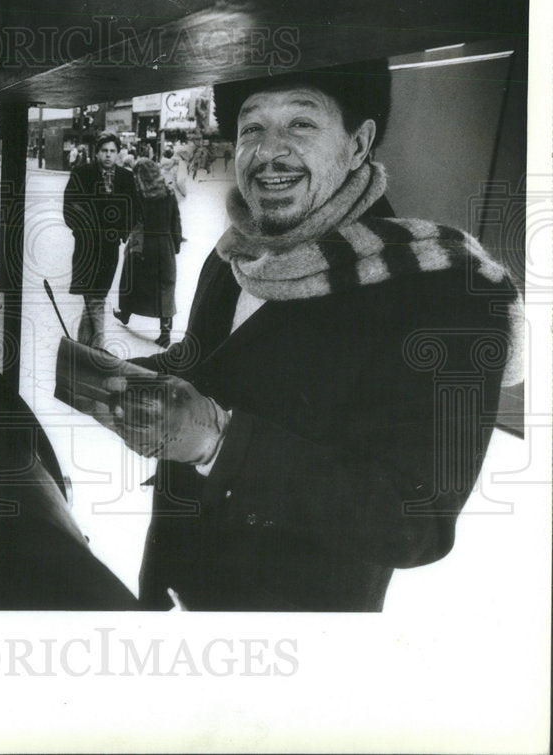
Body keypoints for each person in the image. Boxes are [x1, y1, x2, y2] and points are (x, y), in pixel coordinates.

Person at [102, 59, 523, 612]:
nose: (269, 151)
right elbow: (214, 360)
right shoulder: (237, 253)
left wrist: (219, 444)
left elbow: (416, 521)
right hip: (172, 582)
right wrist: (126, 376)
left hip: (297, 628)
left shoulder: (444, 292)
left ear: (358, 142)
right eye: (252, 127)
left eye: (301, 123)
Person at [62, 131, 140, 350]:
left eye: (112, 151)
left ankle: (80, 352)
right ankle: (100, 350)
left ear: (118, 153)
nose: (108, 155)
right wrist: (81, 230)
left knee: (95, 300)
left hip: (110, 249)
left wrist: (123, 232)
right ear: (97, 153)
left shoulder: (125, 177)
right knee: (94, 300)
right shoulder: (82, 173)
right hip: (86, 248)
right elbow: (69, 207)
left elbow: (134, 208)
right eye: (104, 151)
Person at [113, 158, 182, 348]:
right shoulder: (168, 192)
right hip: (165, 244)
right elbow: (176, 220)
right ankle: (165, 332)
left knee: (131, 279)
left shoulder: (138, 194)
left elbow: (135, 221)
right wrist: (175, 245)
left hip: (144, 244)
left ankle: (125, 313)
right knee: (165, 287)